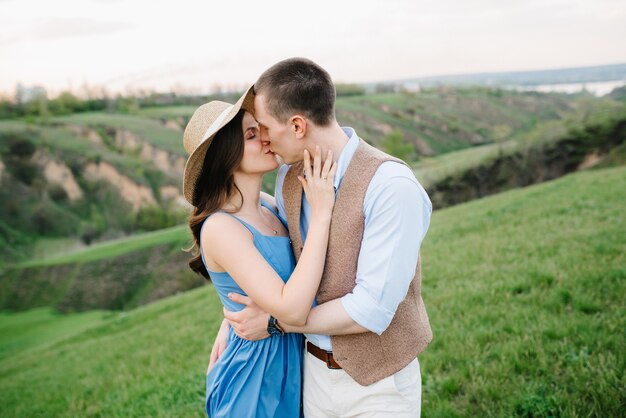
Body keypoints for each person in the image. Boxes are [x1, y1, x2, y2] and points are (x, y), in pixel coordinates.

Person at [211, 58, 434, 417]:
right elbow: (279, 263)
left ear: (297, 125)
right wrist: (235, 317)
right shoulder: (287, 179)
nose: (264, 140)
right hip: (311, 378)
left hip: (379, 387)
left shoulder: (391, 187)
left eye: (264, 128)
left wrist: (272, 322)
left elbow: (369, 311)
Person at [182, 87, 337, 417]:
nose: (266, 138)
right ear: (227, 154)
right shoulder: (221, 227)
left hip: (291, 360)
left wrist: (226, 321)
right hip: (254, 375)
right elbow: (291, 310)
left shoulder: (268, 205)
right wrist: (322, 214)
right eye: (252, 134)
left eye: (261, 129)